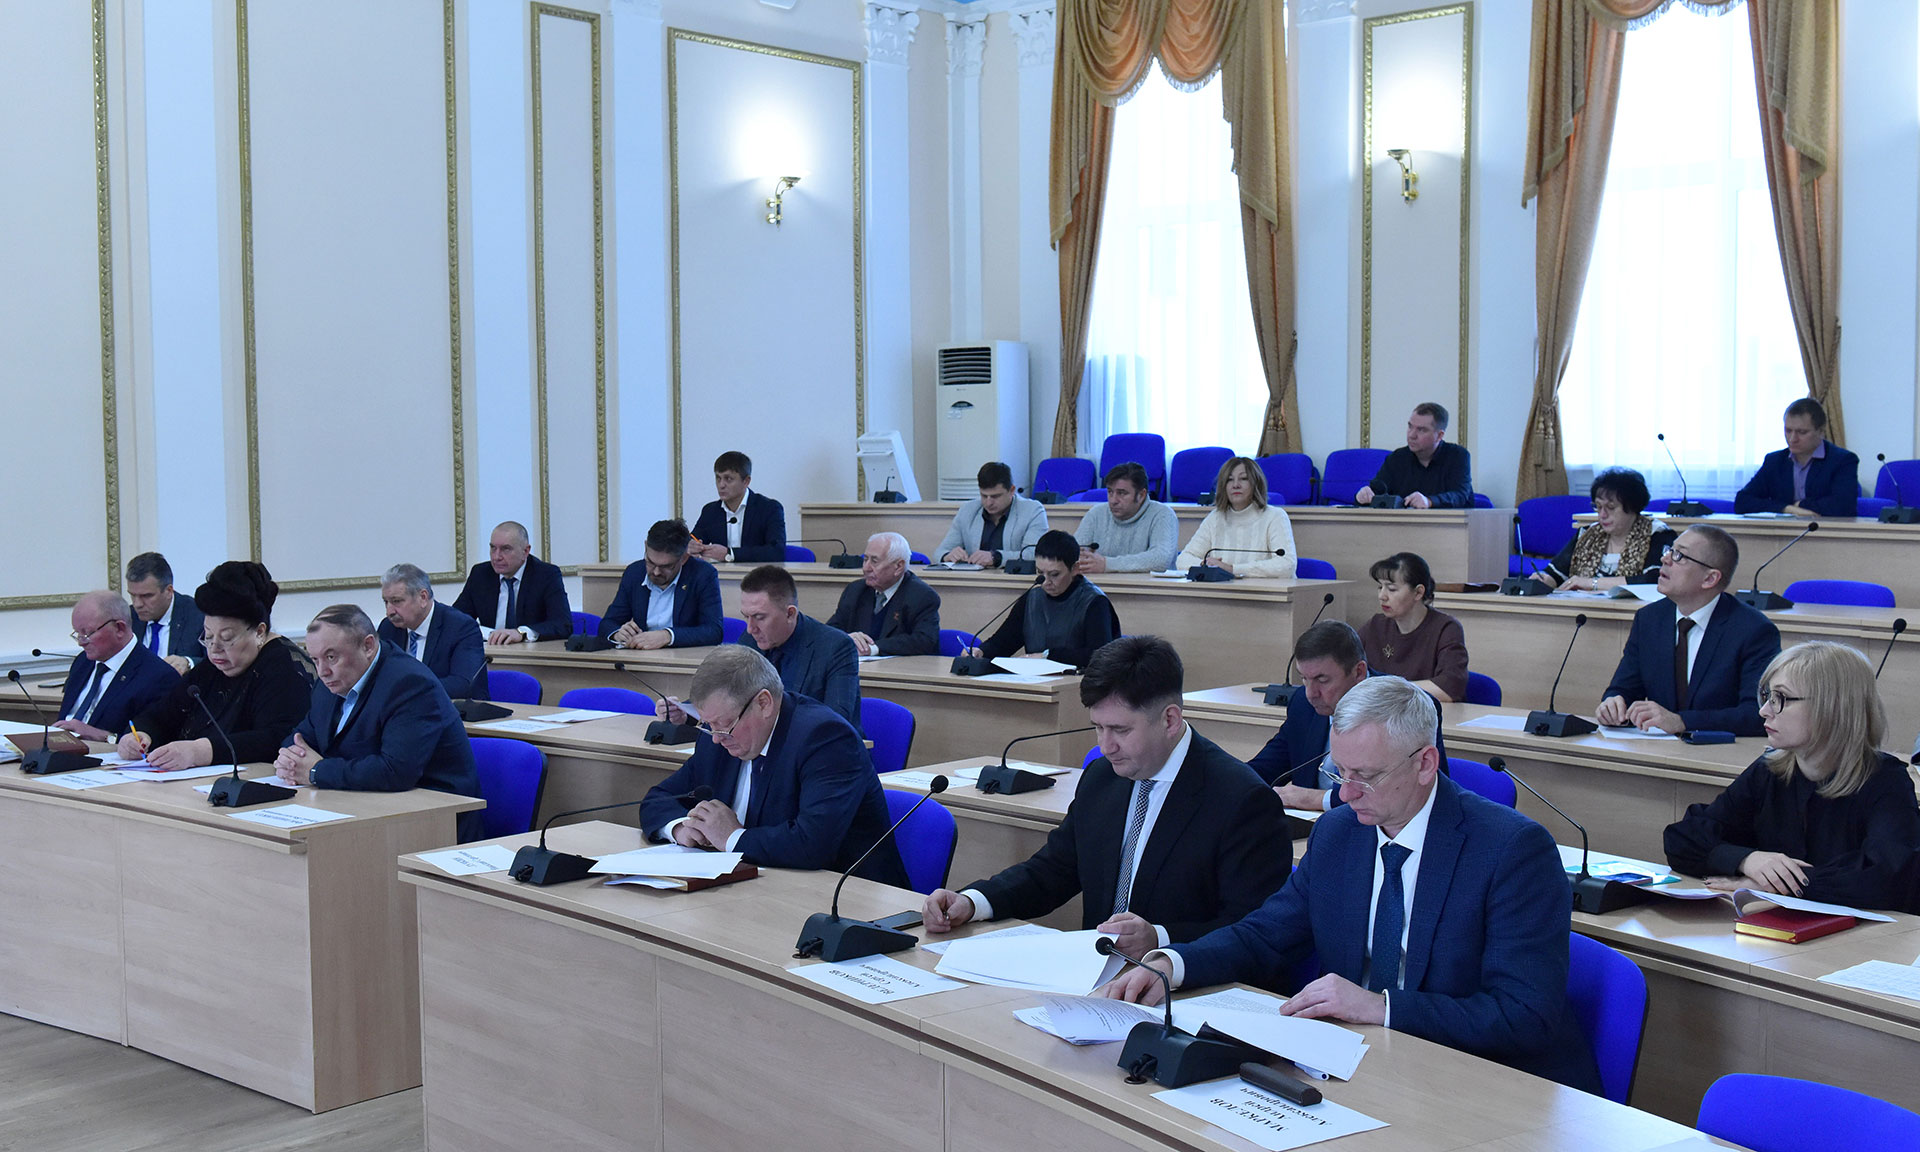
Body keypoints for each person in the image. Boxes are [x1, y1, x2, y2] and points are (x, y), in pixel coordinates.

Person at [1096, 676, 1602, 1095]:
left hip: (1485, 1083)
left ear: (1425, 764)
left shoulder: (1512, 850)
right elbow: (1266, 934)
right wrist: (1174, 963)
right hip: (1360, 1065)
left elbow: (1523, 1015)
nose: (1346, 793)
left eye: (1366, 776)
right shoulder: (1340, 833)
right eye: (1339, 773)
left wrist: (1380, 1007)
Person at [922, 636, 1290, 954]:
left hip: (1186, 986)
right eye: (1097, 727)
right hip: (1098, 977)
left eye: (1120, 730)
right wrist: (974, 901)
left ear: (1170, 720)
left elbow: (1255, 931)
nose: (1105, 745)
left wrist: (1160, 938)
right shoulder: (1101, 777)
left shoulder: (1242, 800)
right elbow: (1055, 870)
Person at [1665, 642, 1919, 911]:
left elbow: (1888, 876)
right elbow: (1683, 838)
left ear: (1831, 707)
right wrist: (1748, 860)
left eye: (1781, 698)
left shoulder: (1885, 781)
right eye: (1767, 696)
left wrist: (1780, 885)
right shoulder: (1769, 770)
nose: (1764, 710)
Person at [636, 646, 907, 885]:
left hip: (847, 901)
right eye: (709, 725)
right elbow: (658, 799)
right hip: (754, 888)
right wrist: (682, 828)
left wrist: (731, 837)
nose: (716, 738)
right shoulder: (716, 739)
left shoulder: (825, 739)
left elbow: (812, 844)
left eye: (725, 725)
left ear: (763, 703)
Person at [275, 605, 484, 842]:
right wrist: (290, 760)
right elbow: (300, 738)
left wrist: (316, 771)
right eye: (315, 659)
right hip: (363, 808)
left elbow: (396, 771)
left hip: (434, 822)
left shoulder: (409, 684)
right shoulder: (329, 684)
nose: (322, 671)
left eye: (331, 657)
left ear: (368, 646)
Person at [120, 561, 311, 770]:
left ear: (259, 632)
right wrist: (140, 736)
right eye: (208, 637)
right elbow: (161, 715)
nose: (214, 649)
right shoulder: (212, 667)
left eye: (227, 638)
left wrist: (199, 752)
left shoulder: (286, 668)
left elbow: (277, 739)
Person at [1598, 525, 1779, 736]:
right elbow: (1624, 689)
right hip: (1655, 747)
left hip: (1719, 750)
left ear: (1710, 579)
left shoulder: (1754, 630)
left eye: (1679, 556)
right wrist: (1613, 704)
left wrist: (1683, 721)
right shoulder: (1649, 619)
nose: (1665, 559)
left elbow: (1756, 713)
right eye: (1669, 550)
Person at [1248, 620, 1448, 812]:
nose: (1311, 693)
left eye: (1322, 680)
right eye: (1304, 679)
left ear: (1359, 672)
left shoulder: (1405, 707)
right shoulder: (1303, 704)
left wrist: (1317, 799)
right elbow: (1264, 769)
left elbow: (1423, 791)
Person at [729, 565, 860, 730]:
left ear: (790, 614)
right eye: (746, 617)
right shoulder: (749, 640)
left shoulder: (835, 647)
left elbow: (836, 722)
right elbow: (731, 695)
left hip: (818, 743)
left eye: (759, 617)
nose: (750, 628)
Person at [973, 530, 1120, 669]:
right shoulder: (1032, 599)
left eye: (1054, 574)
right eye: (1040, 573)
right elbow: (1004, 641)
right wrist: (982, 652)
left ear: (1075, 568)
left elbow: (1098, 655)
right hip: (1036, 681)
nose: (1046, 582)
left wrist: (1048, 656)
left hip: (1080, 682)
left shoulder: (1095, 602)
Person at [52, 591, 180, 742]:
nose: (81, 642)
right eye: (77, 633)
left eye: (87, 633)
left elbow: (150, 742)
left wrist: (102, 736)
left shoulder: (159, 677)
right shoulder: (83, 662)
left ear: (119, 628)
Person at [1532, 468, 1676, 591]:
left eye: (1611, 507)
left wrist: (1591, 583)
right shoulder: (1587, 534)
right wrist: (1544, 579)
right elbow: (1556, 573)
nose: (1602, 515)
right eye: (1598, 507)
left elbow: (1654, 579)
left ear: (1632, 506)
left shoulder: (1657, 533)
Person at [596, 518, 724, 649]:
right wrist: (618, 634)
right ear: (645, 546)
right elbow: (608, 623)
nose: (656, 572)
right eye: (650, 562)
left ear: (684, 558)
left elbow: (714, 631)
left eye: (666, 566)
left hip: (682, 656)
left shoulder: (702, 574)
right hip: (640, 656)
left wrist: (668, 636)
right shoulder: (634, 573)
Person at [1360, 552, 1468, 702]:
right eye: (1380, 587)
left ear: (1418, 592)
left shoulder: (1446, 628)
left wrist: (1388, 690)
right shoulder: (1375, 625)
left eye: (1392, 589)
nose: (1382, 596)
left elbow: (1448, 690)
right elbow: (1349, 670)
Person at [1733, 397, 1860, 519]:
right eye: (1788, 431)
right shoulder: (1775, 461)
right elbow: (1742, 501)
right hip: (1783, 530)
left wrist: (1800, 505)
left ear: (1821, 432)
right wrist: (1787, 509)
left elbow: (1843, 506)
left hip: (1829, 530)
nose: (1792, 439)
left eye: (1802, 432)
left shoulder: (1843, 460)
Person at [450, 521, 573, 645]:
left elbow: (563, 625)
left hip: (530, 653)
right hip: (490, 652)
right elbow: (456, 619)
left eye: (506, 549)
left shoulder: (546, 575)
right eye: (493, 548)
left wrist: (521, 633)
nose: (496, 557)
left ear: (525, 551)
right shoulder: (481, 574)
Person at [376, 563, 486, 701]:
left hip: (450, 709)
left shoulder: (461, 627)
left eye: (396, 601)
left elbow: (462, 684)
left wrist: (408, 691)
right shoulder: (388, 628)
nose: (389, 612)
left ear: (423, 597)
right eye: (386, 602)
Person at [1173, 456, 1298, 578]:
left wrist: (1232, 569)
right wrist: (1205, 565)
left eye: (1243, 479)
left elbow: (1287, 564)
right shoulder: (1215, 518)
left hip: (1267, 590)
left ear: (1256, 483)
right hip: (1224, 590)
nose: (1236, 485)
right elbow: (1183, 560)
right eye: (1230, 480)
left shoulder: (1275, 516)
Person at [825, 531, 941, 656]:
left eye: (874, 561)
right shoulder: (855, 590)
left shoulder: (922, 596)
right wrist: (847, 638)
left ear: (898, 566)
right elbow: (829, 631)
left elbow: (924, 641)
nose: (866, 568)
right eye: (865, 559)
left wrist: (873, 649)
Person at [1355, 402, 1474, 509]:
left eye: (1421, 430)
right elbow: (1377, 491)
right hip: (1403, 524)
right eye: (1410, 426)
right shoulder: (1397, 458)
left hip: (1449, 524)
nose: (1412, 435)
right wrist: (1362, 496)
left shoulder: (1457, 456)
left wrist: (1429, 501)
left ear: (1439, 435)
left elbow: (1460, 495)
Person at [937, 461, 1049, 568]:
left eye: (995, 496)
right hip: (974, 578)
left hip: (1013, 579)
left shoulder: (1033, 511)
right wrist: (947, 556)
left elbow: (1034, 555)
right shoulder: (968, 510)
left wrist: (997, 558)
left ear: (1012, 490)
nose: (988, 502)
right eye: (984, 496)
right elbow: (940, 552)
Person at [1073, 462, 1179, 574]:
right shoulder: (1096, 513)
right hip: (1100, 584)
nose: (1113, 500)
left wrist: (1107, 564)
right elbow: (1072, 554)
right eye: (1110, 492)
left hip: (1149, 585)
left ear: (1141, 495)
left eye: (1122, 493)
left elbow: (1160, 559)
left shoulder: (1163, 514)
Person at [689, 450, 787, 563]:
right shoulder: (710, 511)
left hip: (758, 572)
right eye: (718, 478)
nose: (721, 485)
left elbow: (777, 552)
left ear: (746, 481)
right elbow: (694, 539)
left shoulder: (769, 508)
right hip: (720, 573)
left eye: (728, 479)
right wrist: (691, 546)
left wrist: (730, 554)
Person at [125, 551, 206, 672]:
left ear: (169, 591)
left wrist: (189, 663)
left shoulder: (198, 614)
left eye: (146, 596)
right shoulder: (127, 619)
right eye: (132, 595)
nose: (137, 604)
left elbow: (219, 662)